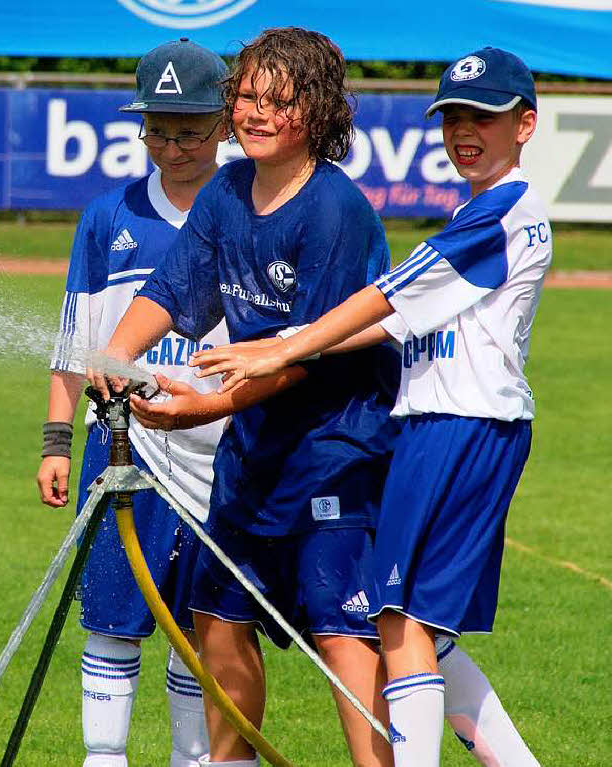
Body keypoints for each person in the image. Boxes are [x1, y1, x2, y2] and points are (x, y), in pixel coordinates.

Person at [191, 46, 549, 767]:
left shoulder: (499, 215)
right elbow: (385, 321)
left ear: (526, 125)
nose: (464, 130)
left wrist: (277, 350)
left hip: (461, 428)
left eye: (484, 116)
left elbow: (385, 297)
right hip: (437, 428)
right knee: (427, 634)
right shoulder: (481, 211)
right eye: (452, 116)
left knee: (398, 623)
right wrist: (287, 344)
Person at [95, 27, 398, 767]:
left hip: (335, 451)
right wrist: (116, 354)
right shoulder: (227, 192)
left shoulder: (335, 208)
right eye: (246, 97)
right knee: (217, 614)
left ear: (318, 111)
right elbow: (172, 288)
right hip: (255, 448)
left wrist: (196, 407)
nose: (255, 113)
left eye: (278, 100)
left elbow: (304, 356)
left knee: (342, 632)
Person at [36, 38, 232, 767]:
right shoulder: (106, 216)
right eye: (158, 129)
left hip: (219, 449)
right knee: (113, 616)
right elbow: (72, 341)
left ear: (225, 125)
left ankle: (192, 757)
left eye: (190, 129)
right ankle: (104, 757)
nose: (173, 146)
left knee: (198, 623)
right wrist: (58, 441)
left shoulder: (249, 210)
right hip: (123, 447)